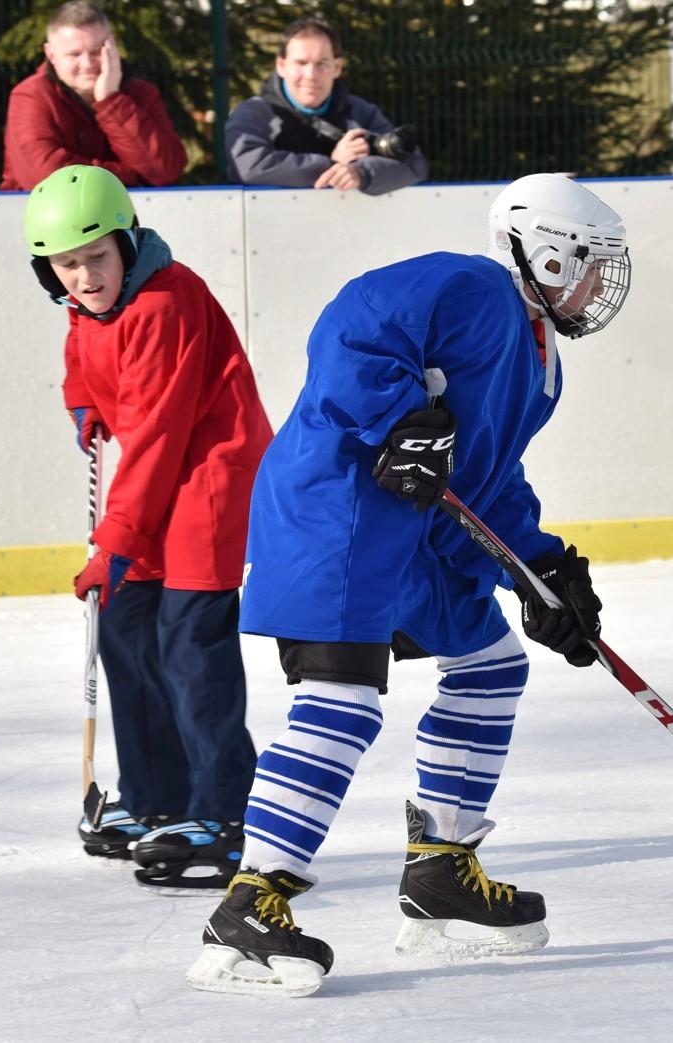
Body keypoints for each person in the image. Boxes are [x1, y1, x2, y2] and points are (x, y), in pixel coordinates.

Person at [184, 173, 630, 997]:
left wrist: (541, 567)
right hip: (338, 513)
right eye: (590, 265)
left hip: (415, 540)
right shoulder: (470, 286)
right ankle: (249, 903)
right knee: (343, 702)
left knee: (492, 665)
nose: (600, 285)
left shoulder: (543, 367)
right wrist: (400, 419)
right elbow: (353, 328)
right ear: (546, 254)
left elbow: (485, 478)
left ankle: (440, 870)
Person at [23, 164, 272, 892]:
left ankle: (223, 815)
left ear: (128, 243)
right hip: (157, 482)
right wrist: (82, 401)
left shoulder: (165, 301)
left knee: (189, 646)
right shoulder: (88, 306)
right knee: (126, 629)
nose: (85, 277)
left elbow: (160, 435)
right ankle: (156, 797)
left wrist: (115, 543)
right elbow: (84, 352)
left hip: (209, 475)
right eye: (66, 265)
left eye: (97, 257)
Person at [226, 16, 427, 194]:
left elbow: (414, 165)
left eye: (322, 63)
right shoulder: (254, 113)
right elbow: (249, 168)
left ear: (337, 67)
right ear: (281, 65)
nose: (311, 75)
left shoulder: (359, 112)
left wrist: (360, 173)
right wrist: (333, 164)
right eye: (301, 63)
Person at [0, 2, 186, 192]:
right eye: (74, 54)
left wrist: (111, 102)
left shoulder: (142, 94)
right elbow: (48, 178)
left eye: (96, 51)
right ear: (51, 54)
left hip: (131, 210)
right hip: (38, 211)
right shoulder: (31, 96)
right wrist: (132, 177)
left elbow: (165, 170)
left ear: (111, 46)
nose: (87, 64)